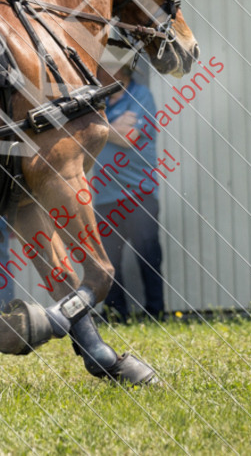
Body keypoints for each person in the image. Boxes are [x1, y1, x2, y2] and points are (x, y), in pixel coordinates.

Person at [95, 63, 164, 321]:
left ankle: (156, 313)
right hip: (105, 197)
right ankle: (115, 314)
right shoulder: (98, 103)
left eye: (105, 70)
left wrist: (99, 130)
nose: (99, 75)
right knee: (108, 261)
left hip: (139, 193)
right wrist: (112, 127)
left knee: (148, 255)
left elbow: (129, 137)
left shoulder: (141, 95)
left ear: (121, 71)